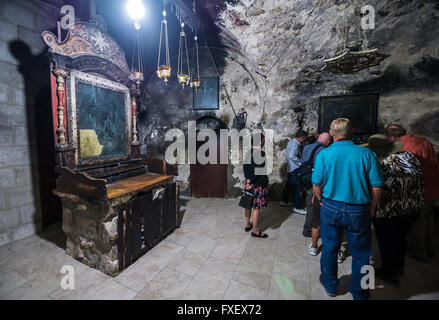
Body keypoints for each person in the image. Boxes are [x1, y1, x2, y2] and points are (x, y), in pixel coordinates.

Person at [312, 118, 384, 300]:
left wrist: (320, 201)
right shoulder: (366, 154)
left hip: (330, 206)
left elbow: (316, 185)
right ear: (351, 131)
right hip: (358, 209)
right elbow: (377, 186)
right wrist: (372, 209)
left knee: (329, 247)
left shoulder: (324, 154)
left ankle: (330, 285)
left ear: (331, 132)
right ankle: (362, 291)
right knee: (362, 252)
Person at [363, 134, 424, 287]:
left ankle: (388, 273)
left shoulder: (381, 164)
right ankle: (399, 267)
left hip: (389, 210)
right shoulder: (409, 157)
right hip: (412, 207)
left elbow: (377, 188)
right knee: (401, 238)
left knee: (387, 242)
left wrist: (370, 208)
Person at [384, 125, 439, 261]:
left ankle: (418, 251)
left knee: (417, 222)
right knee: (429, 217)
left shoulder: (406, 148)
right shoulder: (424, 141)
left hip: (420, 191)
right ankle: (430, 247)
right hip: (433, 187)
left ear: (392, 137)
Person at [298, 133, 332, 255]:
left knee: (309, 202)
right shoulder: (324, 151)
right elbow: (321, 169)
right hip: (314, 180)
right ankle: (308, 229)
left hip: (304, 177)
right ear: (328, 142)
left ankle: (309, 228)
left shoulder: (307, 147)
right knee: (313, 204)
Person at [243, 132, 269, 238]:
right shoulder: (261, 153)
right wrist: (252, 183)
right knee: (256, 207)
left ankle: (247, 225)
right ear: (260, 141)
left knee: (248, 203)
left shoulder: (249, 152)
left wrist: (248, 181)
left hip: (250, 182)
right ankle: (255, 231)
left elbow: (245, 168)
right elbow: (258, 171)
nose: (264, 142)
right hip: (258, 184)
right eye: (263, 140)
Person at [281, 130, 308, 214]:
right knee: (297, 188)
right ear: (302, 137)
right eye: (304, 138)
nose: (304, 140)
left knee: (289, 185)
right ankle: (297, 207)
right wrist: (300, 162)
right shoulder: (295, 145)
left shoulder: (291, 142)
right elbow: (291, 156)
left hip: (291, 168)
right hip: (295, 168)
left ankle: (284, 201)